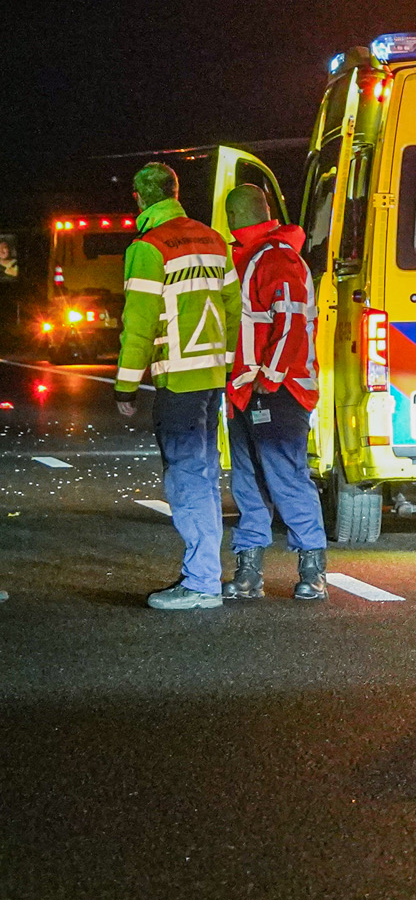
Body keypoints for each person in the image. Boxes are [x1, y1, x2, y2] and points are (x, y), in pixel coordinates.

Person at [116, 162, 240, 611]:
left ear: (138, 197)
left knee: (187, 477)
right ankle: (206, 573)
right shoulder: (213, 239)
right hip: (210, 379)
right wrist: (224, 367)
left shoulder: (149, 248)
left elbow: (139, 325)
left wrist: (125, 387)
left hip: (178, 381)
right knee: (204, 475)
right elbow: (232, 306)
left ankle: (202, 581)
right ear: (175, 190)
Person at [223, 186, 327, 600]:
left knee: (285, 479)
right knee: (250, 482)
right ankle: (251, 572)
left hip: (275, 390)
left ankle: (312, 570)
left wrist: (270, 376)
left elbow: (290, 322)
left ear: (235, 215)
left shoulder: (275, 258)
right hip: (249, 390)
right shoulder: (256, 257)